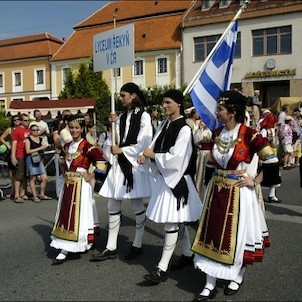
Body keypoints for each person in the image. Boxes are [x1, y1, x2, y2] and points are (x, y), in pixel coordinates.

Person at [191, 90, 279, 301]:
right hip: (216, 192)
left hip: (239, 194)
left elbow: (272, 160)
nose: (217, 112)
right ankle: (209, 282)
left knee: (237, 237)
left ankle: (237, 276)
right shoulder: (217, 133)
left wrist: (254, 180)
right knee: (211, 234)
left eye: (220, 109)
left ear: (232, 112)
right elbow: (212, 164)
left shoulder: (250, 134)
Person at [141, 89, 202, 284]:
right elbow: (157, 146)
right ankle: (187, 254)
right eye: (163, 102)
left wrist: (153, 156)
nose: (164, 106)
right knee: (178, 222)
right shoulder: (165, 125)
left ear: (178, 104)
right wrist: (148, 155)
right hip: (166, 179)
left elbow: (176, 159)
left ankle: (162, 267)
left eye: (168, 102)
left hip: (177, 181)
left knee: (171, 223)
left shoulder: (184, 128)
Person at [89, 82, 153, 262]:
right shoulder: (121, 117)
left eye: (123, 95)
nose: (120, 98)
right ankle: (111, 247)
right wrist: (112, 128)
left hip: (132, 166)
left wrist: (123, 151)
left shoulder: (145, 116)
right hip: (119, 166)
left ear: (133, 96)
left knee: (136, 205)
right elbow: (113, 141)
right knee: (112, 205)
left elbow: (144, 140)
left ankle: (137, 244)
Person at [50, 115, 105, 265]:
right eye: (71, 127)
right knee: (66, 215)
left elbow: (103, 164)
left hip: (81, 186)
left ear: (82, 129)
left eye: (77, 128)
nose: (74, 130)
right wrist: (64, 170)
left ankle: (69, 247)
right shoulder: (67, 146)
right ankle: (66, 245)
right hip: (68, 185)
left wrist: (91, 174)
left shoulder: (88, 147)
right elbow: (62, 160)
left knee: (80, 215)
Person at [25, 124, 50, 202]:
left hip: (38, 159)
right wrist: (39, 148)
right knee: (33, 178)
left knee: (44, 178)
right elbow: (27, 151)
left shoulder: (40, 138)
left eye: (37, 130)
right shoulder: (28, 139)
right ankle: (34, 195)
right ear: (30, 131)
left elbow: (42, 149)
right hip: (31, 159)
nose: (35, 132)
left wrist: (44, 148)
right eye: (34, 130)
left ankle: (41, 194)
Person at [10, 114, 31, 203]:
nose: (27, 122)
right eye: (25, 120)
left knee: (25, 176)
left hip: (27, 155)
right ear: (21, 121)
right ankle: (16, 195)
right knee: (19, 175)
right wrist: (13, 156)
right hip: (19, 155)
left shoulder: (29, 130)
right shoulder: (17, 130)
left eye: (28, 120)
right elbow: (14, 144)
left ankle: (23, 192)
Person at [0, 114, 22, 199]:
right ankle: (13, 191)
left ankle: (21, 192)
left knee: (21, 173)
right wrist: (7, 144)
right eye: (14, 120)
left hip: (21, 151)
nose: (16, 121)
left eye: (18, 119)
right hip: (12, 152)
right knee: (14, 173)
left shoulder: (22, 129)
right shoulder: (10, 129)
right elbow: (1, 138)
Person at [193, 118, 212, 200]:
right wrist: (200, 129)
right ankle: (198, 193)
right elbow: (196, 140)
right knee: (199, 173)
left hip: (209, 154)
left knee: (206, 173)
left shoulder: (212, 127)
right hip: (201, 154)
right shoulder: (201, 127)